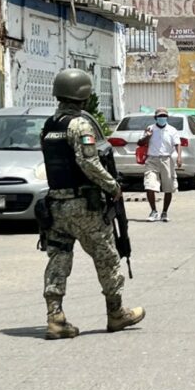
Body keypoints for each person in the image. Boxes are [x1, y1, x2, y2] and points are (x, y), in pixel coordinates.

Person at [39, 68, 144, 340]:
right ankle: (116, 313)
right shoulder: (80, 125)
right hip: (84, 206)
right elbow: (88, 162)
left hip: (56, 206)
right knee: (107, 257)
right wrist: (113, 186)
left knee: (59, 258)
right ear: (83, 96)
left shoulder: (50, 125)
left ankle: (55, 317)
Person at [141, 107, 182, 222]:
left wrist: (179, 157)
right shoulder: (150, 128)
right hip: (152, 160)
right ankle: (153, 211)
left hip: (166, 160)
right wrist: (147, 136)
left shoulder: (172, 130)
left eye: (164, 116)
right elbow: (140, 142)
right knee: (149, 185)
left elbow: (177, 144)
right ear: (155, 118)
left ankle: (164, 212)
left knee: (168, 187)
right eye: (160, 116)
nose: (162, 118)